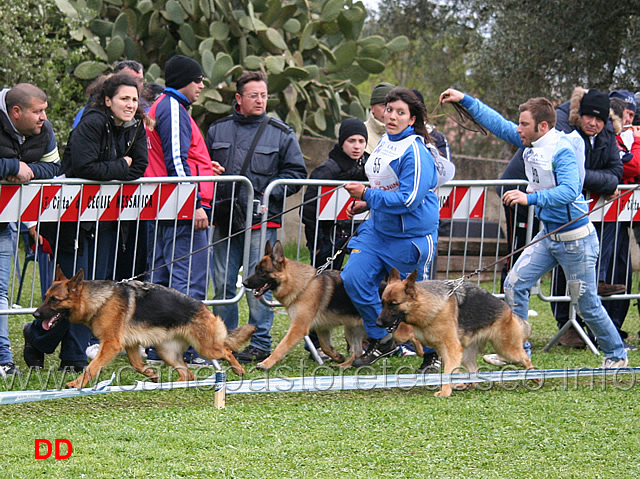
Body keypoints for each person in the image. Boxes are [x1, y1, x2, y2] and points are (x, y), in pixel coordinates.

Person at [440, 88, 628, 369]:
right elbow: (499, 125)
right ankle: (517, 350)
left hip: (576, 240)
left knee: (587, 304)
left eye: (524, 124)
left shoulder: (562, 149)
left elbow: (570, 190)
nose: (518, 129)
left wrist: (530, 198)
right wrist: (465, 100)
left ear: (542, 126)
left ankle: (616, 355)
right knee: (514, 285)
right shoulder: (532, 142)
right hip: (547, 235)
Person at [25, 73, 148, 372]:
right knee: (67, 292)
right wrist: (122, 165)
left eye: (134, 99)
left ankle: (73, 357)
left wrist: (119, 169)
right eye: (124, 98)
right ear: (108, 100)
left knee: (91, 294)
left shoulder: (136, 127)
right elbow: (84, 166)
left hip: (107, 221)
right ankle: (37, 337)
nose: (130, 105)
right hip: (72, 219)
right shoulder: (92, 122)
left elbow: (141, 166)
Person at [206, 70, 307, 363]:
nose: (260, 100)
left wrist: (268, 195)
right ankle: (224, 340)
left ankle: (260, 341)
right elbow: (200, 164)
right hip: (225, 219)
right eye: (254, 95)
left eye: (264, 95)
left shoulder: (281, 131)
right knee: (223, 282)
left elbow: (296, 174)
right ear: (239, 98)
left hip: (262, 223)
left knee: (259, 284)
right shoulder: (217, 129)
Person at [341, 87, 440, 368]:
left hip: (411, 237)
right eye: (389, 110)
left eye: (400, 113)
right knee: (353, 279)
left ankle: (433, 355)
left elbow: (409, 198)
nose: (392, 117)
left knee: (418, 299)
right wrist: (369, 204)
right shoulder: (385, 140)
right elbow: (385, 185)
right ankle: (383, 340)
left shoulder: (417, 151)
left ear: (412, 119)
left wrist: (367, 196)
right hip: (378, 231)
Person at [145, 55, 223, 366]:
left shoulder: (161, 106)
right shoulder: (173, 109)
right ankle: (183, 349)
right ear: (184, 81)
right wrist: (197, 204)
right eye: (197, 79)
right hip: (181, 210)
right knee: (187, 282)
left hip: (167, 206)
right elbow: (176, 161)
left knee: (162, 281)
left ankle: (159, 347)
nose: (202, 85)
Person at [551, 88, 625, 348]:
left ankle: (608, 341)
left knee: (587, 270)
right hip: (565, 215)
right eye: (588, 117)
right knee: (563, 264)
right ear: (579, 116)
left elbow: (617, 171)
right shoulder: (568, 136)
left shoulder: (607, 136)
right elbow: (575, 175)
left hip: (592, 215)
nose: (593, 123)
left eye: (599, 119)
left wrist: (593, 180)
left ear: (606, 121)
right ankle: (566, 324)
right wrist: (598, 182)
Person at [0, 83, 59, 375]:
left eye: (44, 111)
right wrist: (10, 166)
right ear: (16, 112)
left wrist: (28, 170)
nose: (43, 118)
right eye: (38, 112)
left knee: (0, 294)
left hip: (4, 224)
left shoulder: (44, 132)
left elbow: (54, 167)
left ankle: (3, 360)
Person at [302, 117, 368, 270]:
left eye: (361, 141)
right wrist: (316, 244)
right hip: (328, 237)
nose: (357, 146)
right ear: (342, 142)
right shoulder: (326, 170)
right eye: (351, 141)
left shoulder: (368, 167)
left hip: (358, 235)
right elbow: (308, 210)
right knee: (324, 285)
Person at [72, 60, 145, 128]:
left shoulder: (140, 113)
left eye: (141, 80)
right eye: (130, 79)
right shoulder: (92, 116)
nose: (137, 83)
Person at [365, 82, 395, 155]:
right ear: (372, 108)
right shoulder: (361, 132)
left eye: (392, 106)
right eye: (383, 105)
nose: (388, 110)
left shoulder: (408, 133)